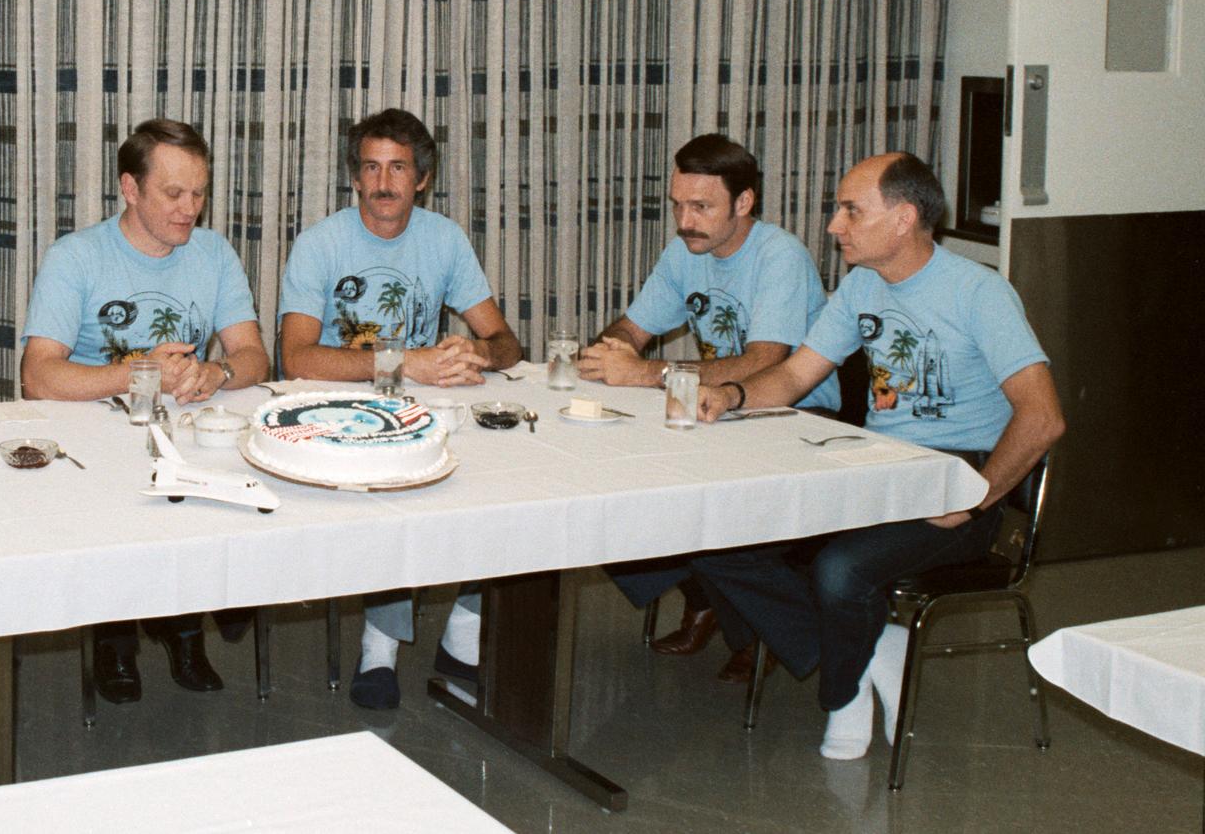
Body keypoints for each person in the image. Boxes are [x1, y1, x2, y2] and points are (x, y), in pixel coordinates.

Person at [688, 153, 1064, 760]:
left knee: (840, 571)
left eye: (851, 210)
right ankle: (871, 649)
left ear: (903, 219)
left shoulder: (979, 292)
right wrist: (730, 396)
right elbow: (792, 377)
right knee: (716, 537)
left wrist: (976, 496)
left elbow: (1043, 417)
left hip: (958, 476)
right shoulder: (863, 285)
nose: (834, 226)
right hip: (877, 462)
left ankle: (842, 697)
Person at [277, 108, 521, 710]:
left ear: (422, 178)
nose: (384, 183)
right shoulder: (320, 243)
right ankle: (379, 647)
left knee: (506, 483)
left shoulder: (445, 239)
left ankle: (463, 634)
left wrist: (478, 353)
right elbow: (296, 357)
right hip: (339, 417)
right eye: (371, 168)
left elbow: (510, 344)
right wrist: (401, 361)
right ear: (355, 178)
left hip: (427, 407)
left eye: (398, 168)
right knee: (395, 491)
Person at [20, 118, 271, 703]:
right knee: (123, 498)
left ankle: (186, 626)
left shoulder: (212, 254)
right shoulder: (76, 257)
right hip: (95, 439)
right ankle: (115, 639)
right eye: (174, 194)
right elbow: (37, 376)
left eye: (200, 193)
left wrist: (218, 373)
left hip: (183, 434)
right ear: (130, 189)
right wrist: (138, 375)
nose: (191, 210)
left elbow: (254, 356)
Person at [578, 134, 837, 681]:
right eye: (678, 205)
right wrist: (610, 348)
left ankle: (752, 622)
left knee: (701, 513)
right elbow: (635, 326)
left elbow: (767, 360)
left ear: (743, 203)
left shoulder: (779, 255)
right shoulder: (684, 252)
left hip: (795, 420)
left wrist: (646, 373)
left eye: (701, 207)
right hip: (715, 413)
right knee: (604, 487)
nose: (684, 220)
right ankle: (709, 596)